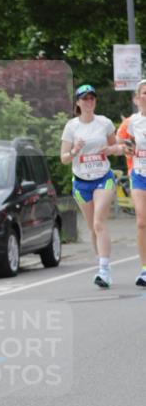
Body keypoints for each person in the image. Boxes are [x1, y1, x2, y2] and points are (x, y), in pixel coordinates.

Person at [61, 84, 123, 288]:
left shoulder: (104, 123)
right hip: (81, 182)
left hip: (102, 178)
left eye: (92, 98)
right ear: (77, 102)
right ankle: (102, 266)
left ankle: (104, 270)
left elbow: (116, 147)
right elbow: (64, 158)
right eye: (84, 98)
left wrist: (111, 149)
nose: (89, 102)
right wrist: (75, 150)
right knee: (92, 228)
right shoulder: (71, 126)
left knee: (99, 222)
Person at [117, 78, 146, 287]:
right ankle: (145, 269)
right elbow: (118, 142)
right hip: (139, 174)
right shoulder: (131, 122)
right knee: (141, 221)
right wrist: (125, 148)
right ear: (137, 98)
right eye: (144, 92)